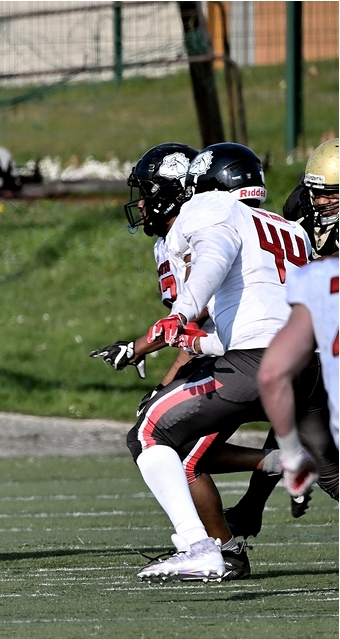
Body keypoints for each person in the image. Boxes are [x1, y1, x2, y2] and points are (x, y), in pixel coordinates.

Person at [118, 142, 335, 582]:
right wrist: (194, 344)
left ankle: (202, 548)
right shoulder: (287, 227)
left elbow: (215, 257)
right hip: (311, 364)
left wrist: (180, 315)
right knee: (333, 472)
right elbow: (261, 314)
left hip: (258, 365)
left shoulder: (213, 209)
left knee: (150, 432)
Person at [89, 142, 288, 541]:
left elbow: (198, 316)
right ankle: (268, 477)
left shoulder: (203, 227)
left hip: (243, 357)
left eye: (149, 193)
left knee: (172, 449)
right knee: (170, 443)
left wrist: (142, 349)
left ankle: (219, 546)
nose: (141, 203)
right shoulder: (176, 238)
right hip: (263, 352)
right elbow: (194, 331)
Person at [258, 142, 340, 510]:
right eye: (316, 192)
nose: (319, 202)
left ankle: (250, 509)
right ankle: (251, 507)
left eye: (330, 195)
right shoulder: (299, 208)